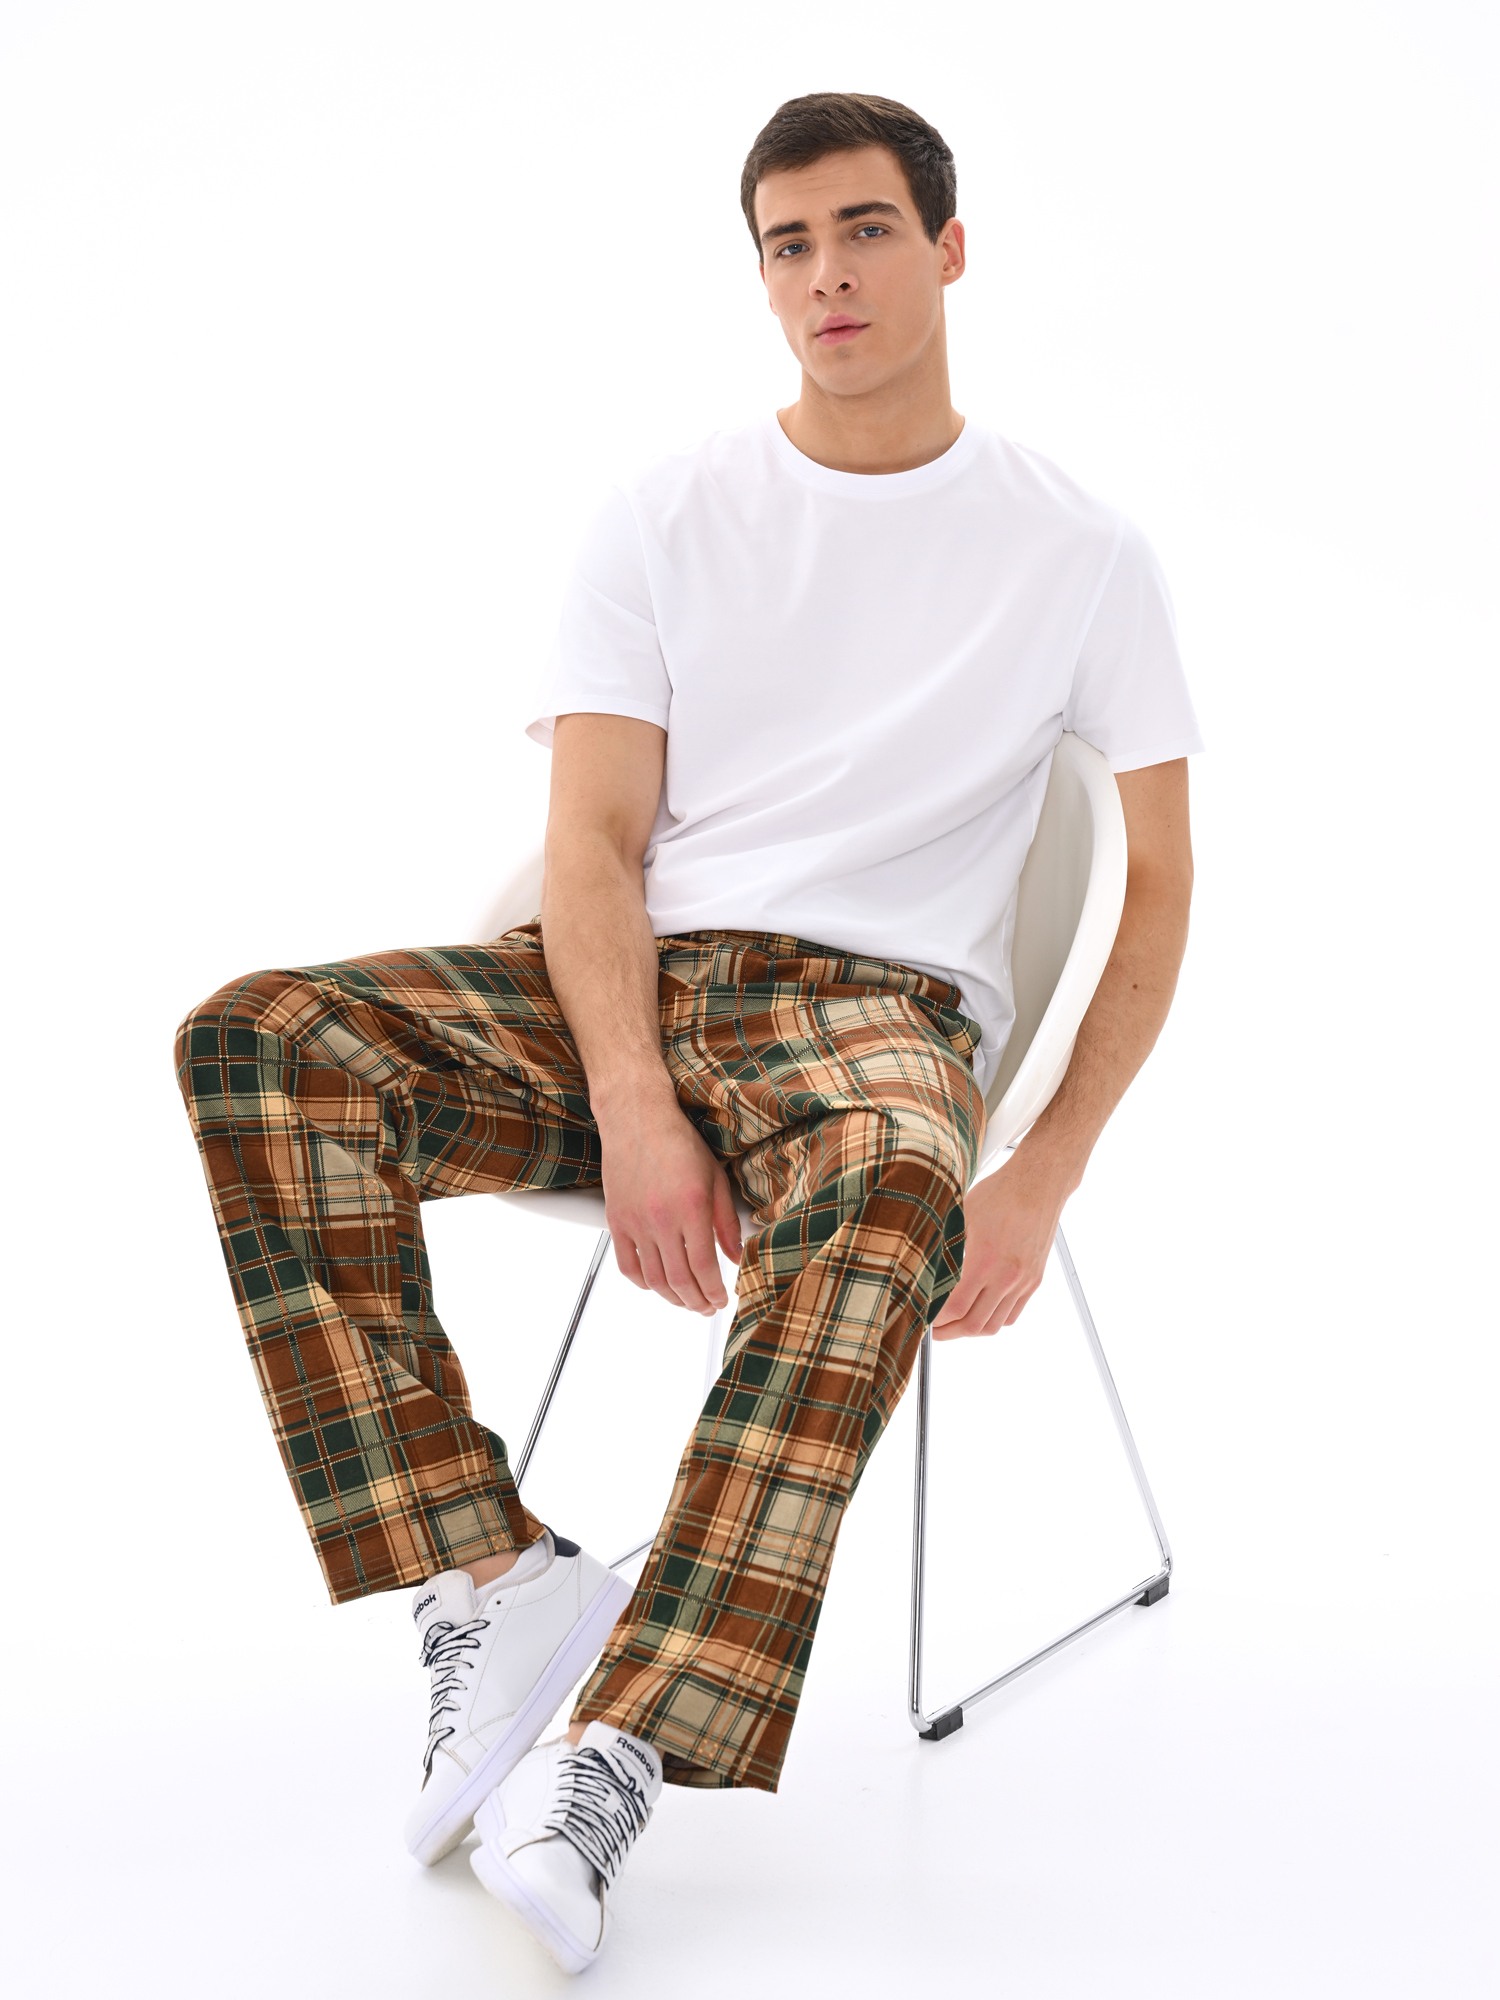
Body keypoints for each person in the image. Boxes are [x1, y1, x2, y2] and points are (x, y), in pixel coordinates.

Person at [176, 91, 1201, 1976]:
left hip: (875, 1019)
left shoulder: (1080, 550)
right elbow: (590, 845)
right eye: (789, 244)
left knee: (891, 1180)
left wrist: (1046, 1164)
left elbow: (1158, 885)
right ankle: (492, 1573)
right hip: (633, 989)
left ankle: (621, 1746)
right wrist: (635, 1102)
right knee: (262, 1042)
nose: (828, 277)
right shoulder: (663, 514)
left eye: (866, 230)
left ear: (949, 248)